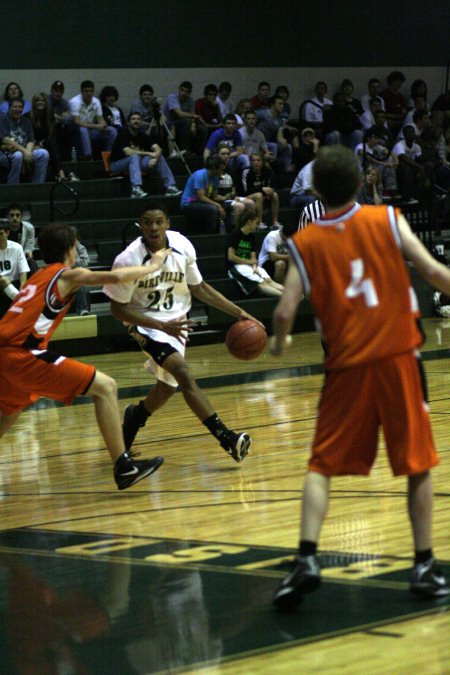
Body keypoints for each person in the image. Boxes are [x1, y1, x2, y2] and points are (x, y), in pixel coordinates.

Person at [270, 145, 450, 609]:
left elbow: (286, 309)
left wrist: (278, 342)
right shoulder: (387, 219)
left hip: (345, 365)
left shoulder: (303, 243)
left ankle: (307, 558)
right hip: (397, 357)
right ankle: (424, 565)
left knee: (321, 465)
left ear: (314, 190)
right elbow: (431, 272)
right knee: (417, 464)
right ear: (360, 182)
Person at [0, 221, 169, 490]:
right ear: (70, 250)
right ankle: (124, 466)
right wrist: (154, 265)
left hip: (5, 356)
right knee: (105, 387)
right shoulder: (65, 274)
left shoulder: (37, 276)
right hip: (23, 354)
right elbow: (114, 278)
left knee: (8, 413)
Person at [103, 202, 258, 463]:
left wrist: (239, 312)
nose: (153, 227)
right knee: (183, 373)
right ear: (140, 225)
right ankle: (227, 438)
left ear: (168, 224)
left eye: (159, 222)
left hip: (178, 322)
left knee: (166, 387)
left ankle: (135, 417)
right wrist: (160, 326)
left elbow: (200, 288)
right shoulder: (127, 260)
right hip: (145, 323)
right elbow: (118, 310)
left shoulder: (182, 245)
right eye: (147, 222)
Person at [109, 111, 181, 199]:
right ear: (128, 122)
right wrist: (149, 153)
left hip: (136, 162)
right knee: (134, 157)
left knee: (159, 157)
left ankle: (170, 187)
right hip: (117, 164)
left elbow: (158, 148)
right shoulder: (123, 134)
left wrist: (156, 158)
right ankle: (136, 189)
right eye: (133, 119)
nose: (136, 121)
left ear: (142, 122)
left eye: (139, 119)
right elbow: (129, 152)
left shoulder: (143, 136)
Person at [226, 206, 284, 297]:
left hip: (249, 265)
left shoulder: (251, 237)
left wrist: (254, 267)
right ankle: (286, 297)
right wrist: (250, 262)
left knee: (269, 281)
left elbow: (253, 258)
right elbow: (231, 257)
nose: (257, 226)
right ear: (249, 222)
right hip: (235, 267)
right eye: (256, 223)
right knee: (261, 285)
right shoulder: (235, 234)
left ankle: (292, 295)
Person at [0, 97, 49, 184]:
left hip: (25, 150)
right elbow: (5, 139)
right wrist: (24, 151)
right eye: (15, 107)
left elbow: (30, 140)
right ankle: (12, 186)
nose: (18, 109)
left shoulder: (26, 121)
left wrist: (28, 152)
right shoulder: (3, 119)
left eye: (20, 107)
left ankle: (37, 185)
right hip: (8, 152)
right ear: (10, 108)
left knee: (43, 153)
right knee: (18, 155)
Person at [69, 80, 117, 159]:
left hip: (92, 130)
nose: (89, 93)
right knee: (83, 130)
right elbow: (77, 122)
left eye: (91, 91)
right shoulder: (74, 102)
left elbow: (100, 118)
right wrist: (95, 126)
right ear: (81, 91)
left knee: (112, 130)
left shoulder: (96, 101)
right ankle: (89, 157)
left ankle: (109, 157)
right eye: (86, 91)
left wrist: (103, 125)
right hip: (78, 131)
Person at [28, 93, 69, 181]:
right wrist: (36, 143)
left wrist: (43, 142)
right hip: (31, 144)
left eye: (42, 100)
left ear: (46, 103)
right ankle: (60, 173)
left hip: (46, 142)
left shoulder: (50, 116)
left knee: (52, 141)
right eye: (38, 101)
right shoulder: (27, 116)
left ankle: (60, 173)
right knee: (52, 145)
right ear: (34, 103)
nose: (40, 103)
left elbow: (51, 134)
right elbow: (28, 135)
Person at [180, 155, 227, 233]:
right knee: (213, 209)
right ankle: (210, 236)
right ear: (214, 168)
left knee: (228, 206)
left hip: (201, 203)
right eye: (221, 169)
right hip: (189, 203)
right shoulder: (200, 175)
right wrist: (218, 205)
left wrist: (227, 197)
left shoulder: (215, 178)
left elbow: (214, 196)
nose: (222, 172)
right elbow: (201, 197)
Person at [241, 152, 281, 230]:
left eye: (258, 160)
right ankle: (259, 222)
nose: (256, 162)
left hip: (262, 194)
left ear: (262, 162)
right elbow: (246, 190)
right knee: (259, 195)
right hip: (247, 196)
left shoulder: (267, 171)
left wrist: (271, 190)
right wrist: (262, 189)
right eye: (253, 160)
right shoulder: (246, 172)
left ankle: (275, 222)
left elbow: (275, 185)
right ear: (250, 162)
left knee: (275, 195)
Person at [0, 219, 29, 318]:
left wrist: (22, 288)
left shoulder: (17, 247)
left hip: (14, 284)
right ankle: (25, 304)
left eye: (1, 234)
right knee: (3, 279)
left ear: (7, 233)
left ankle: (21, 300)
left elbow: (23, 271)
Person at [7, 203, 38, 275]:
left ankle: (35, 285)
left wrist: (28, 252)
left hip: (21, 257)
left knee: (32, 262)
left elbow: (29, 246)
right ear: (8, 217)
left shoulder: (29, 228)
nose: (15, 218)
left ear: (21, 217)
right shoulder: (2, 229)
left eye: (17, 215)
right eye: (12, 215)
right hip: (5, 259)